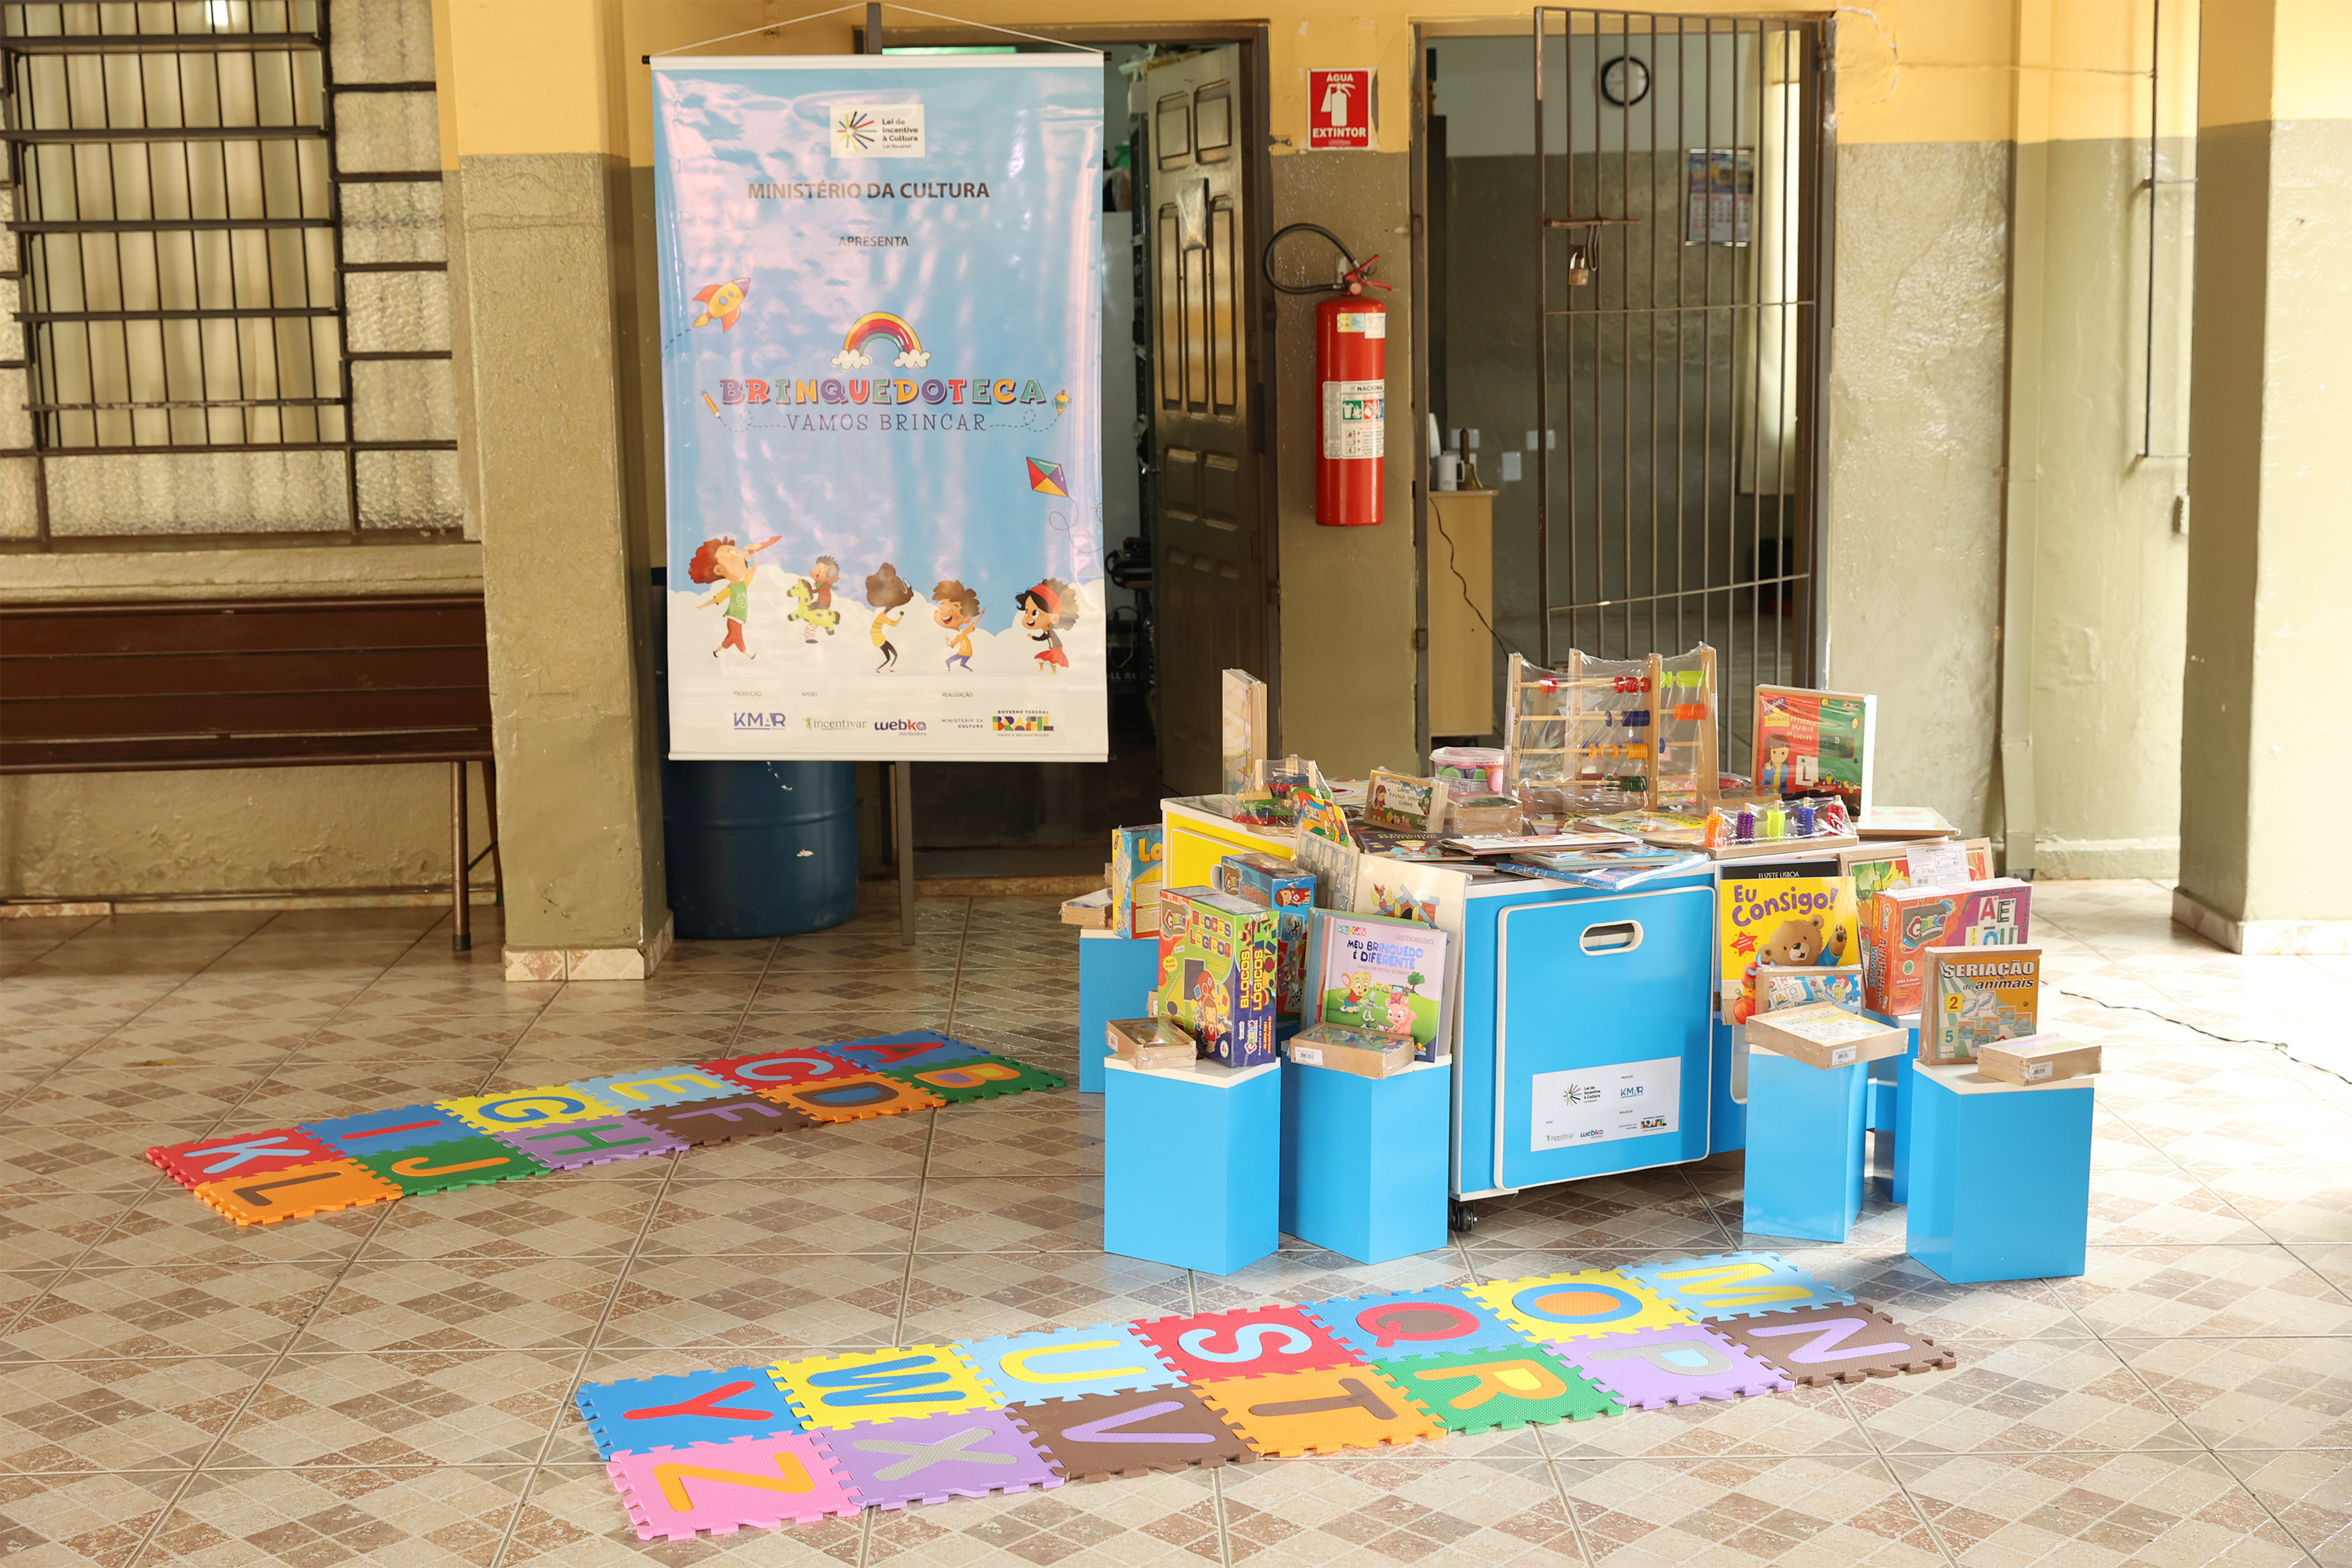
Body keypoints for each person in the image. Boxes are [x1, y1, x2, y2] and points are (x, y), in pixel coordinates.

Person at [687, 533, 783, 659]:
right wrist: (702, 606)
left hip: (740, 616)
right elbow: (717, 598)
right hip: (733, 617)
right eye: (734, 554)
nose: (744, 555)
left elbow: (752, 570)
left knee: (731, 638)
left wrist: (757, 554)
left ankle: (717, 652)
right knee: (737, 637)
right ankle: (748, 655)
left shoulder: (743, 585)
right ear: (719, 570)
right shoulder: (731, 588)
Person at [1014, 578, 1078, 673]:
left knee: (1050, 660)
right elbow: (1044, 636)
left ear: (1055, 618)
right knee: (1041, 658)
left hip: (1056, 650)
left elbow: (1045, 637)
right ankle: (1047, 670)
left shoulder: (1050, 632)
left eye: (1035, 613)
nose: (1028, 618)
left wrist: (1033, 637)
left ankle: (1053, 672)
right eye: (1027, 611)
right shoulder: (1048, 631)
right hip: (1053, 649)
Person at [865, 563, 913, 673]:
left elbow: (904, 593)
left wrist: (908, 591)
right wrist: (901, 617)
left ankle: (885, 668)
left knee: (892, 655)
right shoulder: (882, 616)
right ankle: (883, 668)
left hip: (878, 637)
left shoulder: (895, 582)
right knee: (891, 655)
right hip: (878, 638)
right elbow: (893, 624)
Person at [931, 579, 983, 671]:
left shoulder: (962, 634)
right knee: (955, 662)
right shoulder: (934, 632)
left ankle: (956, 670)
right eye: (942, 608)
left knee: (958, 663)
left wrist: (982, 615)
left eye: (952, 610)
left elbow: (974, 624)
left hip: (964, 653)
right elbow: (951, 644)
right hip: (960, 653)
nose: (944, 614)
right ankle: (951, 670)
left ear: (967, 618)